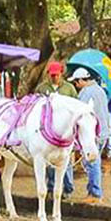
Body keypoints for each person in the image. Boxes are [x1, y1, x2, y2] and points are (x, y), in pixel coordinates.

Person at [70, 67, 111, 203]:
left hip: (93, 134)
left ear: (82, 80)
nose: (76, 86)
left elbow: (80, 113)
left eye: (76, 82)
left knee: (91, 162)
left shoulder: (86, 93)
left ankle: (95, 193)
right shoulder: (100, 90)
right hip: (103, 131)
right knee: (94, 161)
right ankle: (93, 191)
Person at [38, 61, 76, 198]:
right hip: (48, 130)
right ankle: (51, 187)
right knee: (49, 161)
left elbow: (75, 106)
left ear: (61, 74)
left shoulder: (69, 88)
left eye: (57, 75)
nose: (54, 77)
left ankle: (68, 188)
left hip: (65, 129)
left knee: (66, 160)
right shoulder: (42, 88)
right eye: (52, 75)